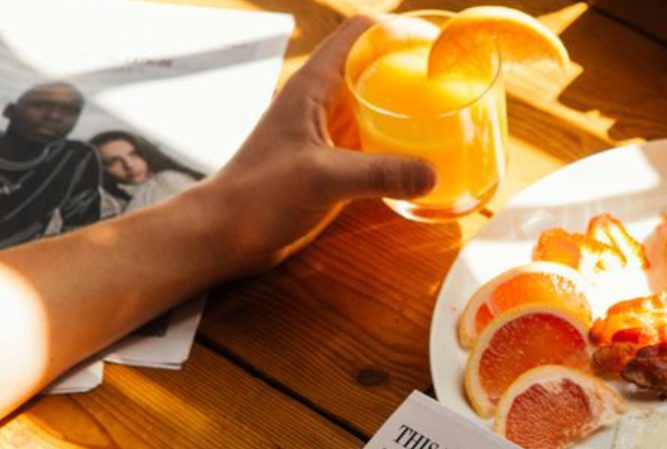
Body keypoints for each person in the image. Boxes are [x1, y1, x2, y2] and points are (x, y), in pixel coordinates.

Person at [0, 17, 435, 418]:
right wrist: (223, 224)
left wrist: (227, 223)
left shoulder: (76, 161)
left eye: (65, 112)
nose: (54, 118)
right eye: (43, 107)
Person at [0, 81, 102, 247]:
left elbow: (82, 230)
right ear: (9, 111)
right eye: (41, 105)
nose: (54, 116)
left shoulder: (74, 157)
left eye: (69, 111)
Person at [90, 130, 204, 216]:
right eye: (114, 161)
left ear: (145, 152)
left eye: (134, 154)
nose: (129, 165)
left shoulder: (167, 180)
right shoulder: (105, 203)